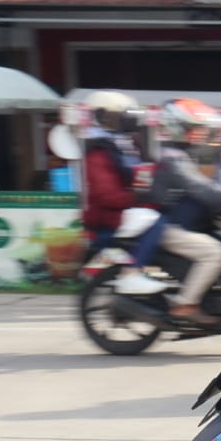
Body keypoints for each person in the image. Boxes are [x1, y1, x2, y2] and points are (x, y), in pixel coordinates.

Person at [149, 98, 221, 324]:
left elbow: (202, 187)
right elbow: (200, 188)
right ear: (178, 128)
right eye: (195, 129)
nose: (201, 134)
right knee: (217, 253)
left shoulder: (181, 155)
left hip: (183, 222)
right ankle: (185, 304)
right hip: (170, 227)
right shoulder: (173, 158)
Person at [79, 90, 161, 295]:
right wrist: (136, 196)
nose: (128, 119)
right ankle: (131, 273)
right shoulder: (98, 150)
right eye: (122, 114)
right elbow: (106, 194)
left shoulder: (124, 144)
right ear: (106, 117)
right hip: (111, 216)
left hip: (126, 208)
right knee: (158, 221)